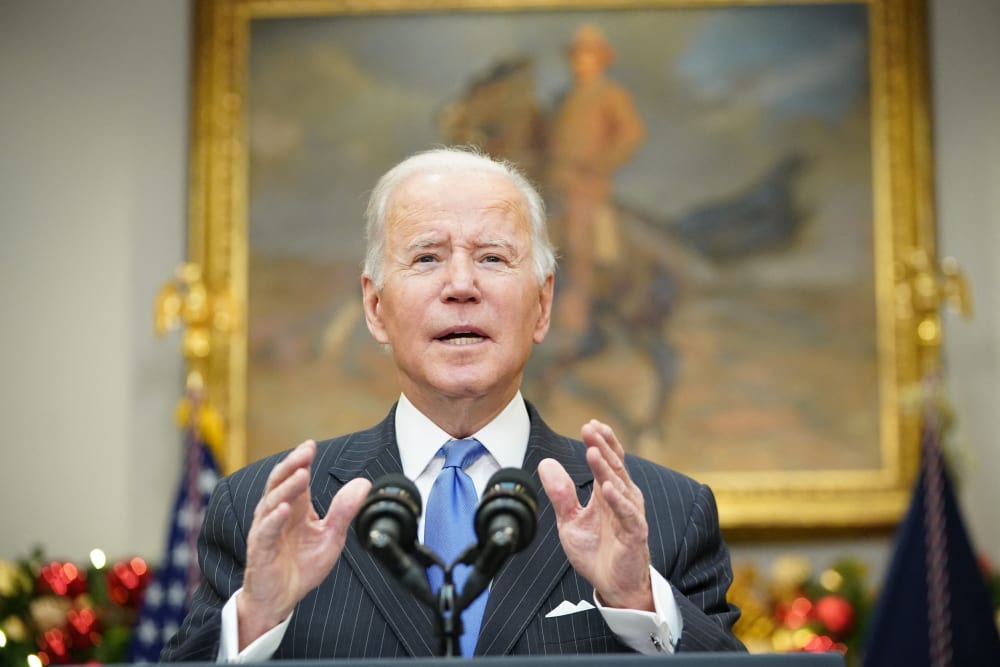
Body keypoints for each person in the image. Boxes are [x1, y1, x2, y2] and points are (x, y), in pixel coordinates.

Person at [161, 147, 744, 661]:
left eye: (492, 257)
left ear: (541, 307)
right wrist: (256, 619)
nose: (461, 285)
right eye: (426, 258)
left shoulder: (665, 514)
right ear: (374, 307)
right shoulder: (264, 510)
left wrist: (638, 602)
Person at [547, 24, 645, 337]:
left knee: (578, 240)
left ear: (601, 59)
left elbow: (631, 134)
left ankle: (578, 309)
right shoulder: (565, 98)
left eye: (589, 54)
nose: (582, 60)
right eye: (577, 54)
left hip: (586, 184)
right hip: (555, 180)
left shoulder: (611, 94)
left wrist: (600, 164)